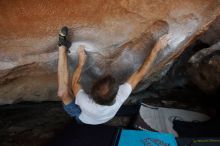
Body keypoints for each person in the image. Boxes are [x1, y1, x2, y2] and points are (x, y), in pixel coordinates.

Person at [57, 26, 170, 125]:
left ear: (90, 94)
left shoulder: (84, 101)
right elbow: (140, 73)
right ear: (116, 95)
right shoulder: (121, 96)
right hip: (101, 118)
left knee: (62, 93)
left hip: (82, 118)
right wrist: (156, 49)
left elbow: (75, 83)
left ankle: (62, 47)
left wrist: (81, 63)